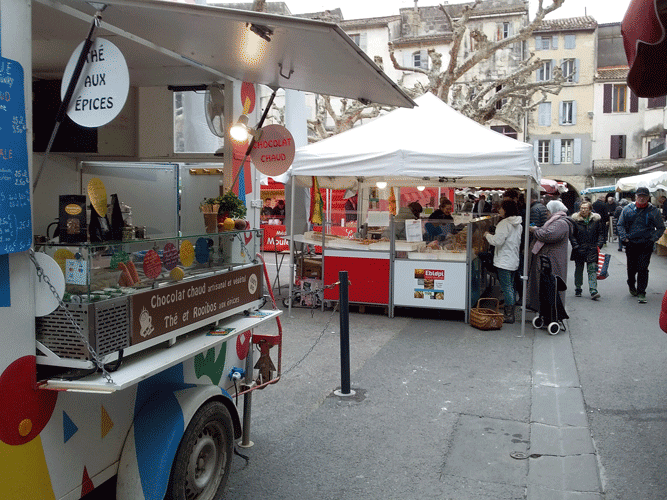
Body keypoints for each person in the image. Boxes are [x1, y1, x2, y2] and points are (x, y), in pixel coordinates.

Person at [617, 186, 666, 303]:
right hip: (631, 243)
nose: (642, 198)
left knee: (643, 268)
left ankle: (641, 292)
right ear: (636, 197)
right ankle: (631, 283)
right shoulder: (628, 209)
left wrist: (652, 239)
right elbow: (620, 225)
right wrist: (624, 238)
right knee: (632, 268)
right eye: (640, 196)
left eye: (644, 196)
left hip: (646, 244)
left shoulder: (653, 211)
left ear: (648, 198)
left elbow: (660, 227)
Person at [526, 200, 573, 313]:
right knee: (547, 286)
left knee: (552, 286)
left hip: (553, 260)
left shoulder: (560, 222)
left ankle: (553, 312)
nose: (546, 212)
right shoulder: (557, 221)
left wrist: (536, 230)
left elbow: (547, 235)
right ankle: (545, 311)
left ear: (554, 210)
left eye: (548, 210)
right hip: (550, 258)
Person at [484, 199, 523, 323]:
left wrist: (487, 235)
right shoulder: (519, 224)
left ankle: (509, 315)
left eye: (501, 208)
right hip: (513, 259)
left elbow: (497, 241)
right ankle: (509, 311)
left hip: (504, 260)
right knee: (510, 286)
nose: (499, 210)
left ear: (506, 210)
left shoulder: (504, 223)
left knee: (507, 288)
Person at [570, 201, 606, 300]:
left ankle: (593, 290)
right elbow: (572, 235)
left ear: (590, 209)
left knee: (592, 270)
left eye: (586, 208)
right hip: (579, 248)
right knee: (579, 269)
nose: (583, 210)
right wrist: (576, 246)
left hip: (592, 248)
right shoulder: (575, 220)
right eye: (582, 208)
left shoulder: (596, 220)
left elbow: (601, 233)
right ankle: (578, 287)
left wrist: (599, 245)